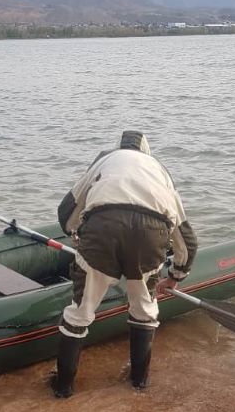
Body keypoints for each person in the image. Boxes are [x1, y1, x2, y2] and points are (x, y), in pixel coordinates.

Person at [52, 130, 198, 398]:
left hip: (102, 232)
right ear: (146, 152)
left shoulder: (104, 160)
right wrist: (176, 276)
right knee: (144, 309)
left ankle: (63, 388)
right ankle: (139, 382)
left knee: (80, 312)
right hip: (150, 236)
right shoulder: (160, 171)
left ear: (118, 148)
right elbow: (186, 240)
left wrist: (76, 234)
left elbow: (66, 211)